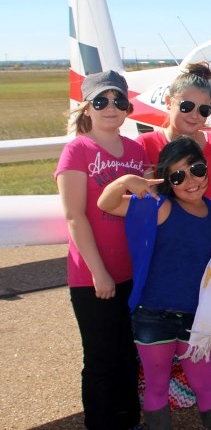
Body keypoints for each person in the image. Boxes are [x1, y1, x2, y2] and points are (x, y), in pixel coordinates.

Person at [98, 136, 211, 430]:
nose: (190, 181)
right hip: (153, 317)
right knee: (157, 387)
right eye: (178, 175)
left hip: (196, 319)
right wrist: (124, 181)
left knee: (205, 386)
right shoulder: (159, 207)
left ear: (207, 169)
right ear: (168, 181)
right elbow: (106, 203)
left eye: (197, 169)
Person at [136, 63, 211, 429]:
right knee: (160, 355)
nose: (195, 115)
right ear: (168, 102)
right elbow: (139, 203)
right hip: (169, 264)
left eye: (204, 109)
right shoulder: (147, 145)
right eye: (186, 106)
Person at [54, 70, 147, 429]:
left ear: (127, 108)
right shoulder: (77, 149)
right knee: (101, 359)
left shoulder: (137, 150)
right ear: (87, 108)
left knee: (128, 354)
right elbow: (74, 216)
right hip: (94, 278)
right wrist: (99, 272)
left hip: (133, 273)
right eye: (101, 100)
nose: (111, 107)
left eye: (119, 100)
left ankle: (130, 420)